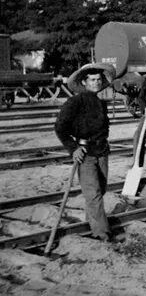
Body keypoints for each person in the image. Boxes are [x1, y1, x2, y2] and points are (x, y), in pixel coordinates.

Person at [55, 63, 116, 241]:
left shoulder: (100, 102)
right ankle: (101, 232)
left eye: (98, 80)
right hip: (85, 153)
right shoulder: (75, 102)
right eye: (92, 80)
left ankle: (93, 221)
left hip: (102, 150)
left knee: (101, 190)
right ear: (84, 81)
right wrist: (73, 148)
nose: (96, 83)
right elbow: (60, 127)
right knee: (93, 193)